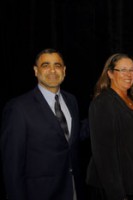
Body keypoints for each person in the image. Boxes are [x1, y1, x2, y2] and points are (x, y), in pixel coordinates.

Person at [1, 48, 84, 200]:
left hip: (73, 190)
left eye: (57, 65)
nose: (52, 70)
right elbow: (12, 166)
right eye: (45, 65)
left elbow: (71, 141)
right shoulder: (18, 108)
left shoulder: (72, 101)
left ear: (64, 70)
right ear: (35, 70)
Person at [86, 53, 133, 200]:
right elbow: (104, 155)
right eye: (123, 70)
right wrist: (117, 194)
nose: (128, 74)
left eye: (132, 70)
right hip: (112, 189)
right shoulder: (103, 103)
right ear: (110, 73)